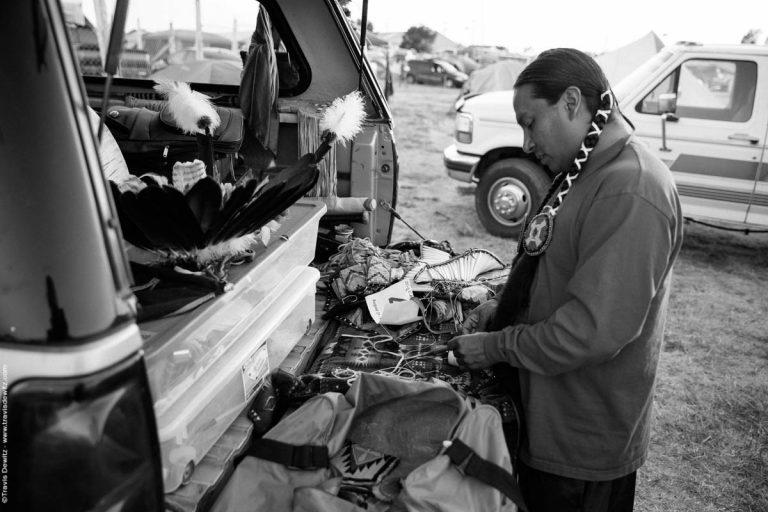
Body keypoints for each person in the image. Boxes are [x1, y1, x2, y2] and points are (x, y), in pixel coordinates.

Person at [447, 48, 683, 512]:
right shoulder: (585, 168)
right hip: (546, 415)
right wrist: (499, 312)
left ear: (572, 102)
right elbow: (554, 269)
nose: (528, 142)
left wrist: (495, 346)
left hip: (578, 443)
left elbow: (591, 332)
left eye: (530, 122)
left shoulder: (631, 188)